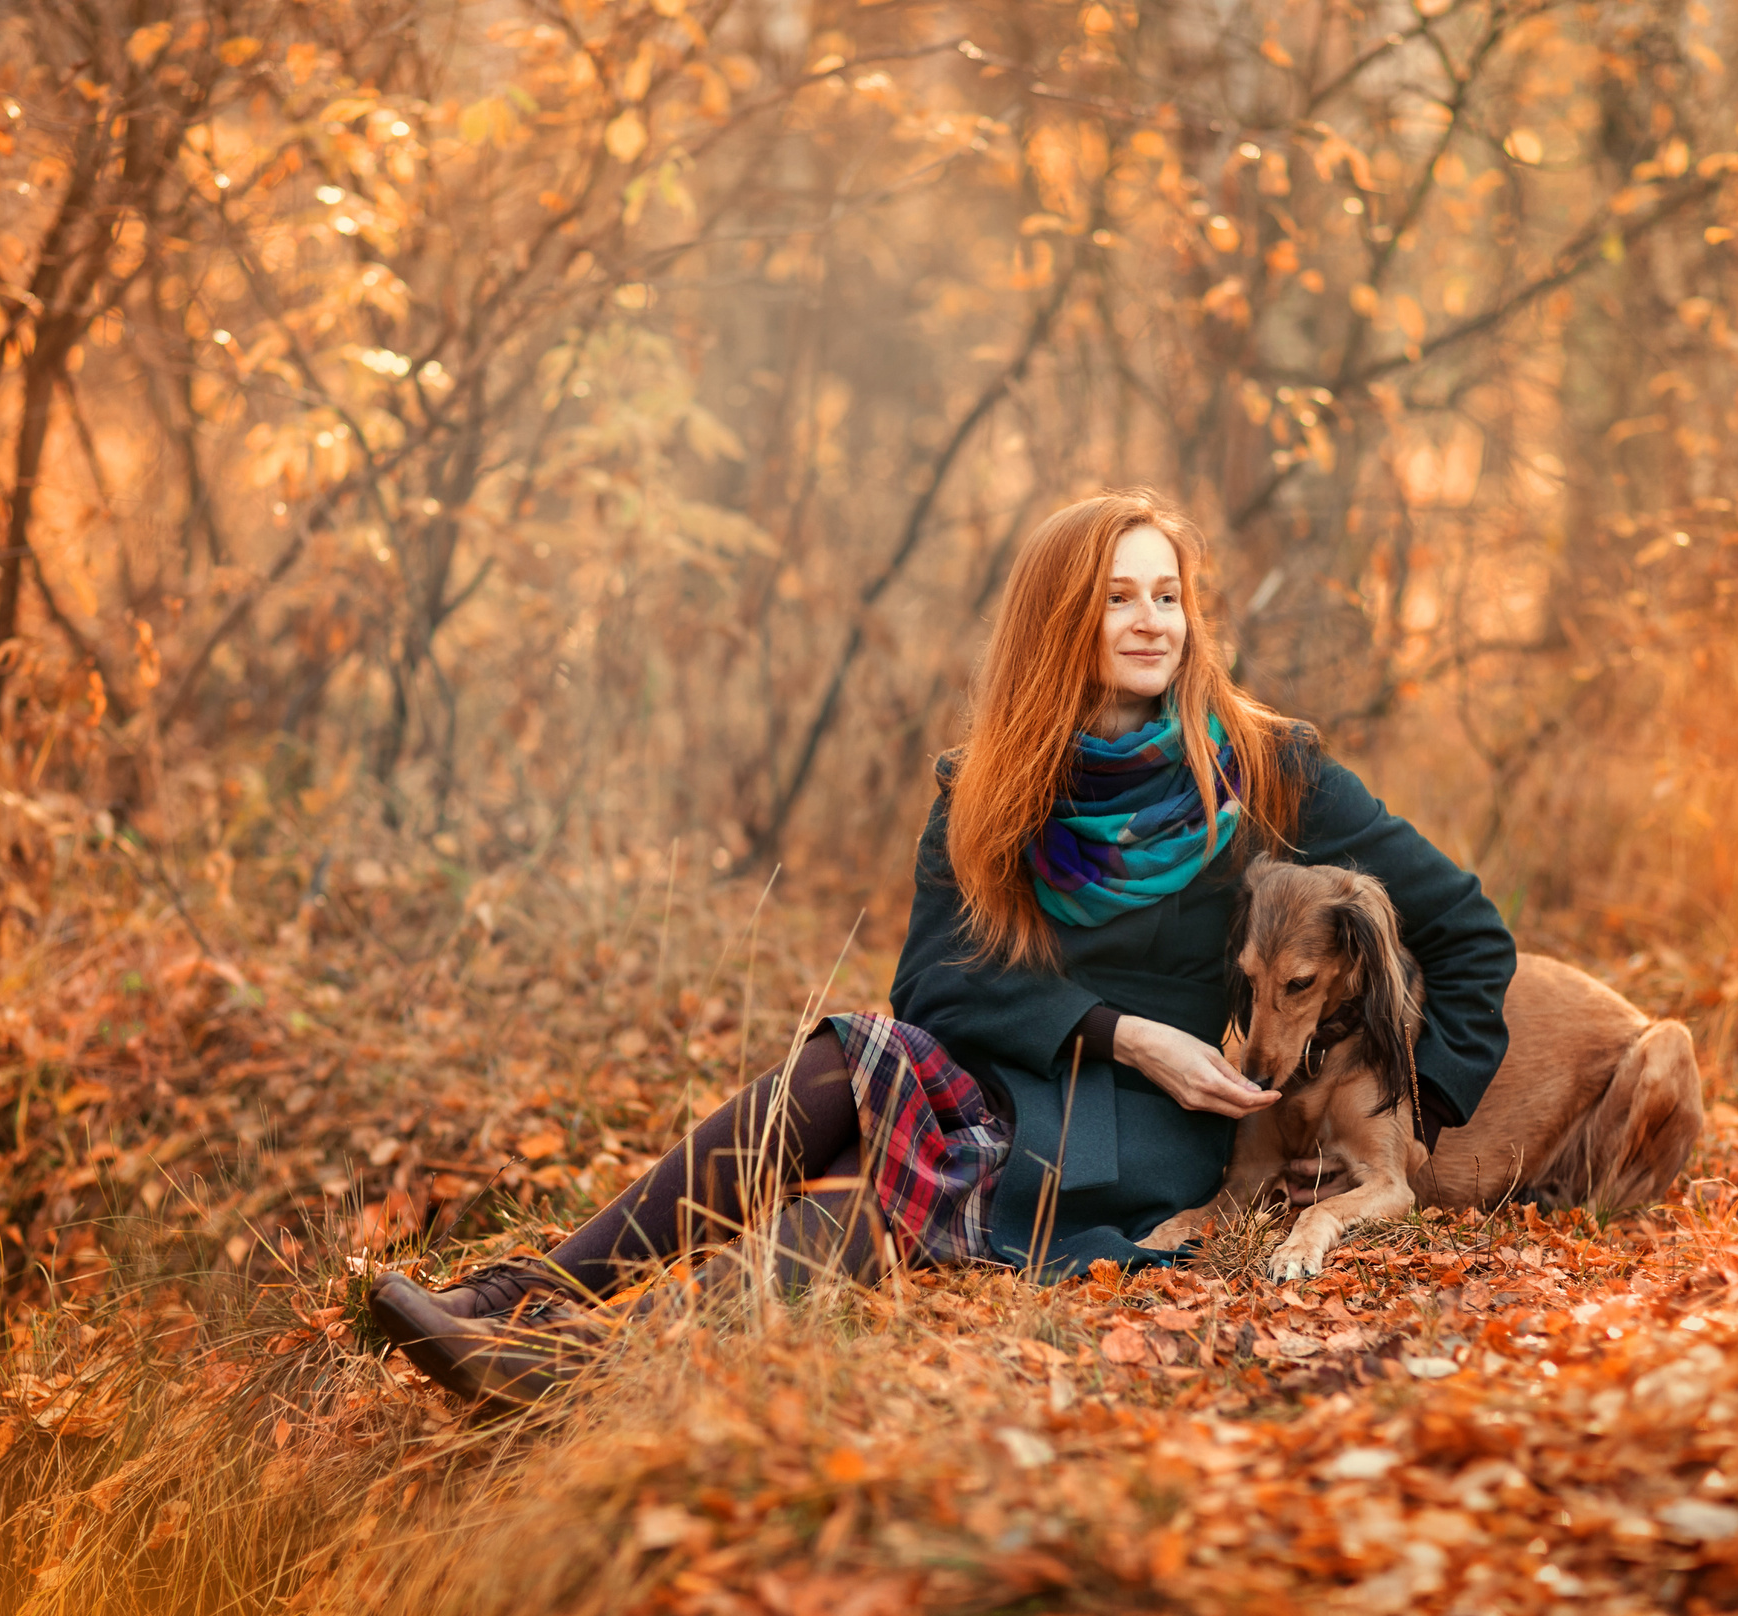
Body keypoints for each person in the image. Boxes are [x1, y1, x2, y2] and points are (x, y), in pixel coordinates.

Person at [370, 489, 1516, 1407]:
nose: (1152, 621)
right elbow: (931, 983)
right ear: (1061, 620)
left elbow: (1465, 931)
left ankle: (581, 1372)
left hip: (1154, 1130)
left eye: (1167, 595)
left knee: (881, 1197)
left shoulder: (1267, 764)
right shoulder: (989, 784)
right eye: (1119, 598)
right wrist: (1124, 1034)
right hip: (1038, 1062)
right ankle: (530, 1296)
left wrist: (1417, 1108)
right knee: (838, 1063)